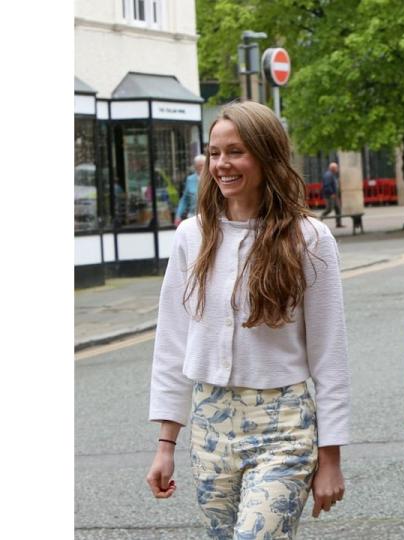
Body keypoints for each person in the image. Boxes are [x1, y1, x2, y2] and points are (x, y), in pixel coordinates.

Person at [145, 101, 349, 539]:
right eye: (215, 153)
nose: (222, 164)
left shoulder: (308, 238)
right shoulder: (191, 236)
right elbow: (173, 342)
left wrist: (329, 458)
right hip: (211, 423)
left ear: (266, 155)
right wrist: (166, 445)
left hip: (284, 425)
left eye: (236, 152)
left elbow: (330, 355)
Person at [175, 154, 204, 226]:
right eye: (199, 165)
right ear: (195, 167)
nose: (201, 168)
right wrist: (178, 215)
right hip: (193, 216)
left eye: (203, 165)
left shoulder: (213, 178)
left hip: (210, 216)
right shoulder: (190, 179)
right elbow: (184, 199)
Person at [321, 162, 344, 228]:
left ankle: (338, 223)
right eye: (336, 168)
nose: (337, 169)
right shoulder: (328, 175)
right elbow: (327, 185)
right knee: (329, 209)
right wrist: (331, 193)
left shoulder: (332, 175)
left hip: (334, 195)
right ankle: (320, 219)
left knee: (338, 208)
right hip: (330, 196)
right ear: (333, 168)